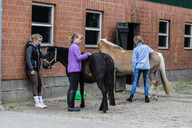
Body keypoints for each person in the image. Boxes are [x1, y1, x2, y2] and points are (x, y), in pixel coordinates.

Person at [67, 33, 91, 111]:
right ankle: (71, 106)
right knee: (73, 88)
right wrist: (87, 54)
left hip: (71, 69)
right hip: (75, 69)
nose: (81, 41)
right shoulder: (75, 47)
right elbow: (79, 57)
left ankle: (70, 105)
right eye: (80, 39)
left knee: (71, 87)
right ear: (76, 38)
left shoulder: (71, 47)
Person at [127, 36, 153, 103]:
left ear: (136, 42)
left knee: (135, 81)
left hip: (138, 67)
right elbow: (152, 51)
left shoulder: (136, 49)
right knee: (146, 82)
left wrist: (133, 69)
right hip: (146, 67)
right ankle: (146, 98)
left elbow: (134, 61)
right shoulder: (146, 47)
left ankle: (131, 97)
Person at [26, 33, 48, 108]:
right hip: (32, 68)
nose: (39, 42)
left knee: (40, 84)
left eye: (40, 41)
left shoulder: (38, 47)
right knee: (35, 85)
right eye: (39, 41)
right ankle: (37, 102)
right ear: (34, 40)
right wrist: (31, 69)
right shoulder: (30, 47)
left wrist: (48, 52)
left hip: (37, 68)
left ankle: (41, 101)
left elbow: (42, 56)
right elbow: (28, 59)